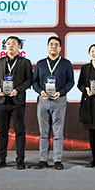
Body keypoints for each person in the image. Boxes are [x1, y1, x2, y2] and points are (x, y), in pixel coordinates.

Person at [0, 36, 33, 170]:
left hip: (17, 101)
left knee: (19, 131)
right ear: (5, 46)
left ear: (19, 46)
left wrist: (18, 90)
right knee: (2, 131)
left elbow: (29, 80)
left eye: (14, 43)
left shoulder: (25, 62)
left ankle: (20, 159)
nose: (10, 46)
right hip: (1, 101)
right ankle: (1, 159)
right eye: (8, 43)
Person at [32, 36, 74, 170]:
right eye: (51, 44)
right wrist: (40, 91)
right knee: (43, 132)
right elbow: (34, 82)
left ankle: (57, 159)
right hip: (43, 100)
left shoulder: (66, 64)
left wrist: (61, 92)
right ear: (47, 47)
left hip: (59, 100)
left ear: (60, 48)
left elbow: (71, 81)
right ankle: (43, 159)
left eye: (56, 45)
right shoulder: (41, 64)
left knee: (58, 132)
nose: (53, 47)